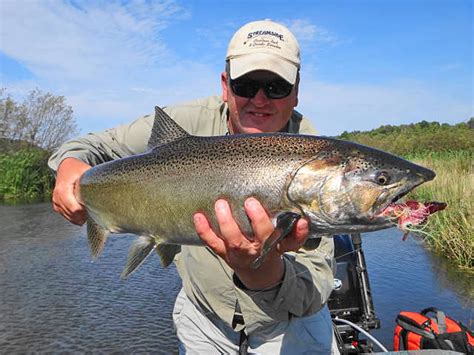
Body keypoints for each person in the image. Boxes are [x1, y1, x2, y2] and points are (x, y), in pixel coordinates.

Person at [49, 20, 338, 354]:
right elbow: (91, 146)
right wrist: (70, 169)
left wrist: (262, 271)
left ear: (296, 90)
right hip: (203, 323)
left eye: (276, 86)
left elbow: (312, 292)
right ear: (225, 85)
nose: (260, 99)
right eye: (246, 85)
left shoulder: (318, 163)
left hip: (289, 327)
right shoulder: (188, 119)